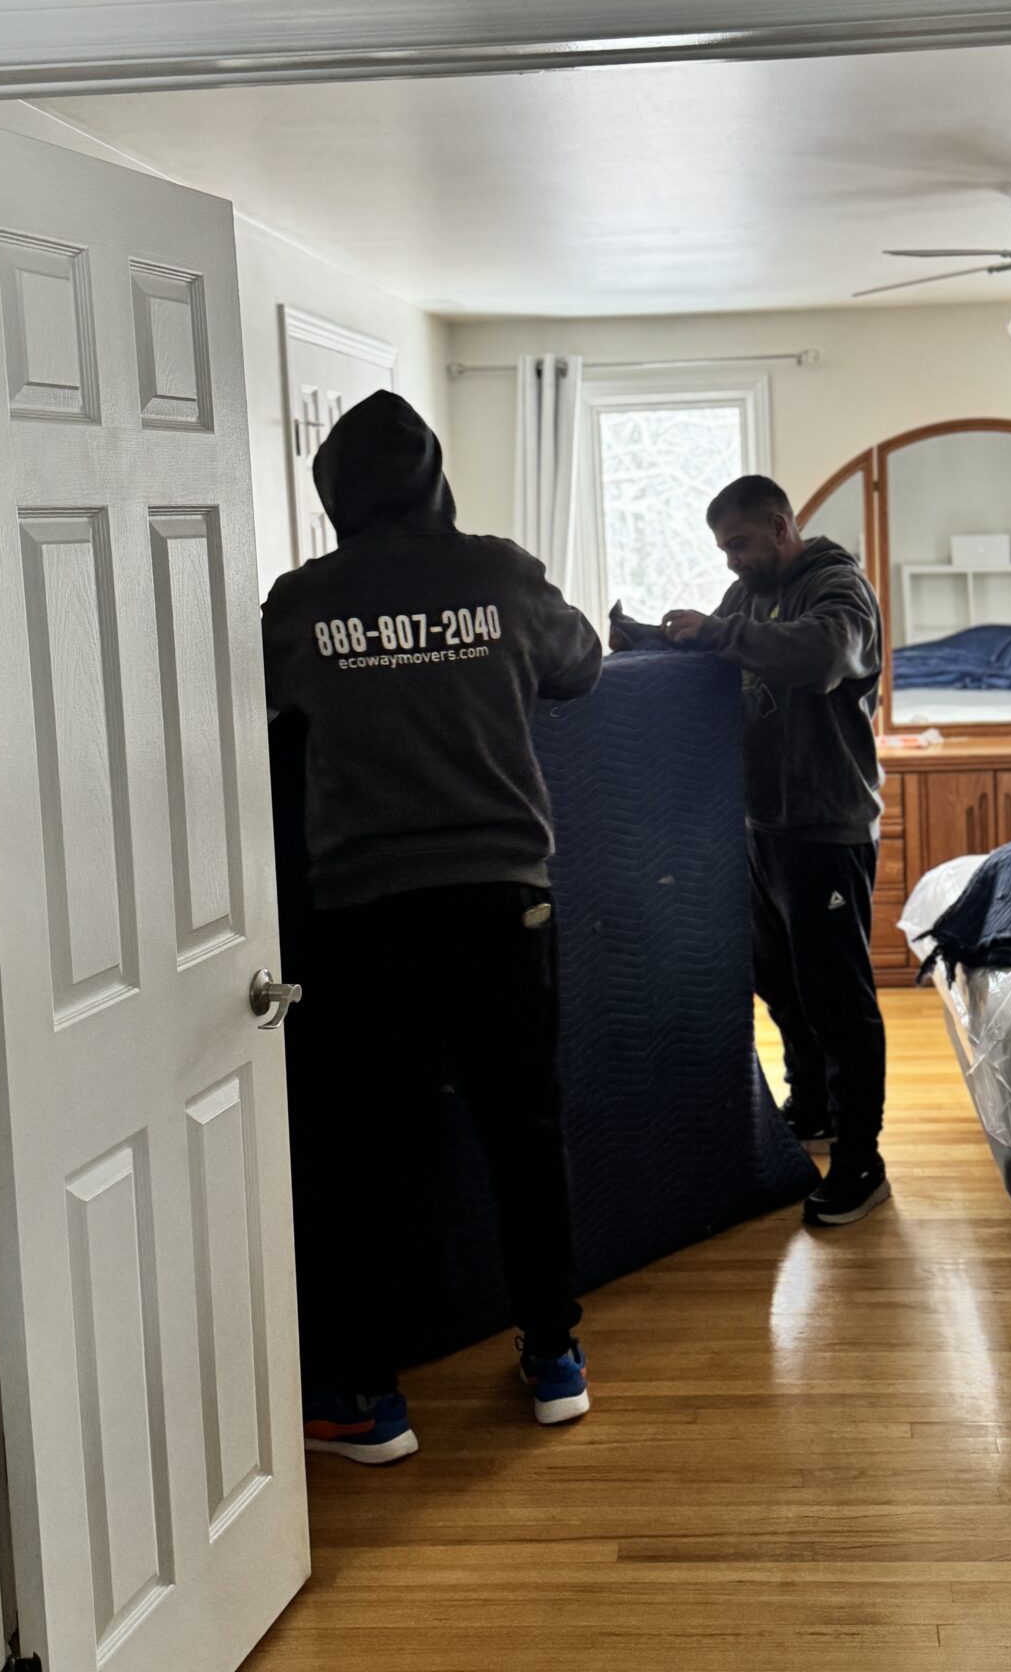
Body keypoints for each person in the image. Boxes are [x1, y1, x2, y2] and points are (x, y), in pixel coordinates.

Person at [263, 391, 602, 1461]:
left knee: (372, 1151)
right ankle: (554, 1358)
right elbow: (582, 664)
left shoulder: (302, 601)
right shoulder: (501, 574)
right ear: (434, 480)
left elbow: (249, 703)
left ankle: (369, 1399)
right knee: (523, 1132)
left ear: (335, 491)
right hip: (504, 895)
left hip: (367, 910)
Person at [654, 474, 890, 1227]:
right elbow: (714, 657)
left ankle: (861, 1160)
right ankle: (811, 1107)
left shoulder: (839, 588)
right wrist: (654, 643)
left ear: (781, 527)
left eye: (739, 543)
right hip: (762, 826)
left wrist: (715, 633)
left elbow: (824, 654)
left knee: (838, 999)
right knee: (782, 985)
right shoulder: (748, 595)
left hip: (826, 827)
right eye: (722, 548)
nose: (729, 560)